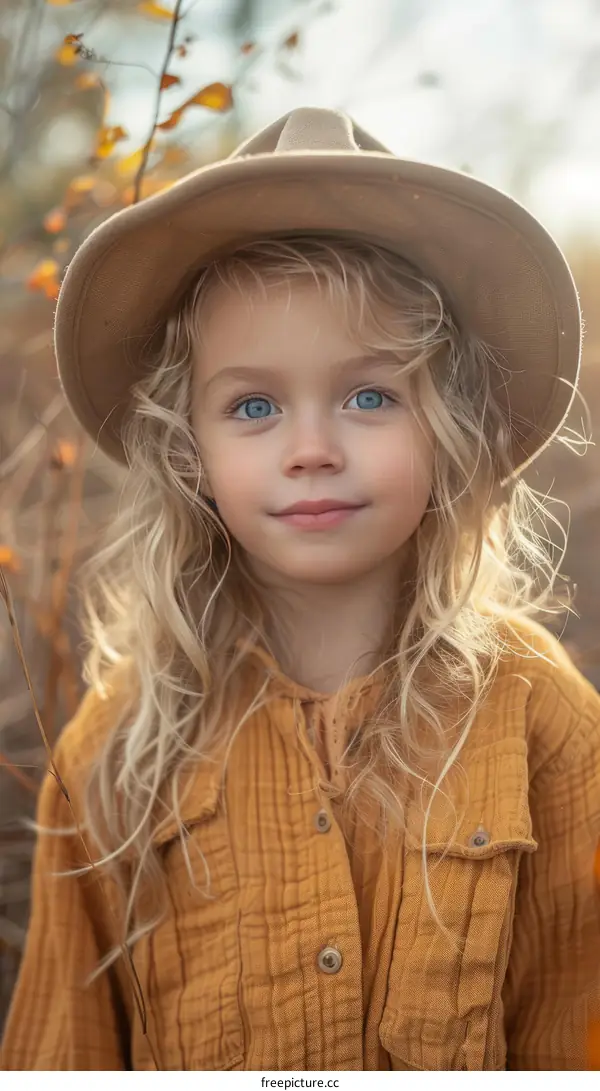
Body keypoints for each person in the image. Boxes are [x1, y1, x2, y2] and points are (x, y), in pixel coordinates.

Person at [2, 107, 600, 1072]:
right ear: (188, 449)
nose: (313, 449)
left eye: (371, 395)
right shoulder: (117, 753)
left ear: (447, 431)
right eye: (254, 405)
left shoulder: (544, 724)